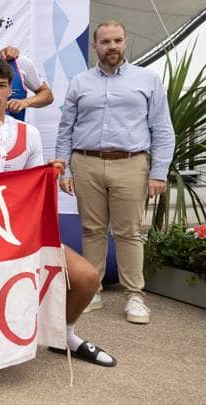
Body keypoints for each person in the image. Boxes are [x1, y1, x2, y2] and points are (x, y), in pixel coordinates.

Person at [0, 58, 116, 368]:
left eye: (1, 86)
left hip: (21, 233)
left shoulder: (29, 134)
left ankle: (64, 335)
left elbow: (35, 193)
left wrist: (48, 175)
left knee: (87, 278)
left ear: (10, 90)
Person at [55, 21, 175, 324]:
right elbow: (65, 129)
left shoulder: (147, 79)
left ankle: (134, 295)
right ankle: (91, 289)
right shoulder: (80, 82)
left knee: (129, 232)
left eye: (117, 40)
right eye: (106, 41)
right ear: (95, 46)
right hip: (87, 163)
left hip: (131, 163)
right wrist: (64, 169)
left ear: (125, 42)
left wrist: (159, 172)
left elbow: (162, 128)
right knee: (92, 229)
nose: (112, 46)